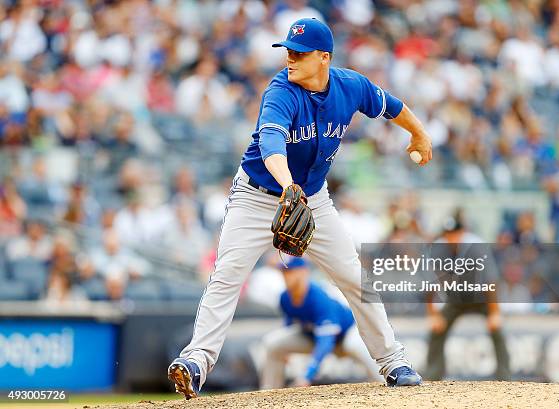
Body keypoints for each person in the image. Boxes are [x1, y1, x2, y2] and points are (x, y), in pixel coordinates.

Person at [168, 18, 432, 399]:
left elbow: (392, 107)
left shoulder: (350, 86)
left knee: (355, 277)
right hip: (257, 195)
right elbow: (271, 140)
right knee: (226, 275)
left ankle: (393, 363)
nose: (290, 58)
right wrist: (288, 183)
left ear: (324, 57)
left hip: (313, 198)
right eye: (288, 51)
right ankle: (195, 362)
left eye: (300, 53)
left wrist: (419, 132)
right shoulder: (280, 91)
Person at [260, 257, 382, 389]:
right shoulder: (285, 298)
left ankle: (388, 387)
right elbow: (291, 321)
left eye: (291, 271)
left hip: (347, 334)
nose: (286, 276)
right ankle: (269, 393)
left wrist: (307, 375)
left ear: (304, 272)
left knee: (354, 345)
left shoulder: (319, 298)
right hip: (314, 337)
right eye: (283, 272)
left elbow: (325, 342)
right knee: (273, 343)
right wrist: (286, 352)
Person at [424, 212, 510, 381]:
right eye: (448, 234)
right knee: (436, 330)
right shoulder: (438, 249)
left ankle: (504, 377)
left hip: (481, 297)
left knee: (497, 329)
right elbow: (431, 283)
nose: (452, 237)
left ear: (463, 232)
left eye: (455, 233)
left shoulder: (476, 246)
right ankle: (433, 376)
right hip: (456, 299)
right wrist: (433, 314)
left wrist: (494, 312)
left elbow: (490, 281)